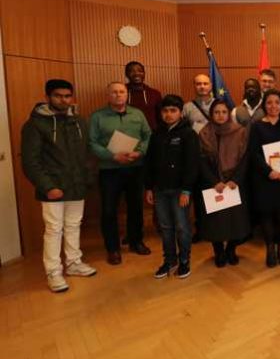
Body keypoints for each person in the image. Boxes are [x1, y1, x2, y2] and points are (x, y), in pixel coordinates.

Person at [21, 79, 97, 293]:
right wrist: (47, 186)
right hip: (53, 187)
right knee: (54, 229)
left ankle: (73, 263)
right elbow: (30, 161)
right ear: (48, 97)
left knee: (74, 225)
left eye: (67, 96)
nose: (63, 100)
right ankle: (53, 272)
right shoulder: (35, 124)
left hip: (77, 185)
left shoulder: (79, 121)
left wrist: (88, 177)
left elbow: (87, 152)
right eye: (58, 96)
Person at [89, 82, 152, 265]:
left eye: (122, 92)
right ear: (108, 95)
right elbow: (92, 143)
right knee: (109, 210)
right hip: (110, 170)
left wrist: (140, 151)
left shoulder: (138, 114)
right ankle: (113, 248)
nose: (118, 95)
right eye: (114, 92)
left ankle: (136, 241)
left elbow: (148, 136)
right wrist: (112, 156)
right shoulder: (97, 117)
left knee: (136, 208)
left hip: (135, 167)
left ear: (127, 95)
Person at [144, 95, 199, 279]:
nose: (168, 114)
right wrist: (149, 187)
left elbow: (192, 164)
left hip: (180, 190)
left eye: (173, 111)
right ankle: (170, 260)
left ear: (180, 112)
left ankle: (184, 260)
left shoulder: (188, 134)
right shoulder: (157, 134)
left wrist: (187, 189)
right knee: (165, 227)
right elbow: (149, 162)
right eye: (165, 111)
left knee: (182, 227)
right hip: (160, 189)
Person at [247, 90, 280, 267]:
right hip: (264, 178)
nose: (273, 106)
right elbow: (253, 154)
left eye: (277, 102)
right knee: (266, 215)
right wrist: (269, 172)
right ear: (264, 105)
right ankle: (270, 249)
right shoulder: (257, 126)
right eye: (269, 102)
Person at [198, 99, 251, 268]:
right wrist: (214, 182)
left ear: (229, 114)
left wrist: (235, 179)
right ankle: (219, 251)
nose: (220, 116)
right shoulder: (204, 133)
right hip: (213, 183)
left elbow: (245, 158)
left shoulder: (240, 131)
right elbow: (201, 161)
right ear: (211, 114)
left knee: (236, 220)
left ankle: (231, 250)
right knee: (216, 221)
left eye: (223, 112)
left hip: (234, 183)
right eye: (216, 112)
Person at [183, 73, 214, 243]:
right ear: (194, 86)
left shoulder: (219, 105)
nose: (202, 86)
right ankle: (199, 229)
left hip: (214, 158)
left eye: (205, 83)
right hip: (195, 157)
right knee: (197, 195)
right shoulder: (187, 108)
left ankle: (213, 227)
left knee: (213, 193)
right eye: (198, 84)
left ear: (210, 85)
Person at [125, 61, 162, 131]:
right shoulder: (121, 92)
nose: (136, 73)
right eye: (132, 71)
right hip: (128, 133)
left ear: (144, 73)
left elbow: (160, 116)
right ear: (126, 74)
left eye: (140, 71)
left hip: (151, 133)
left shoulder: (155, 93)